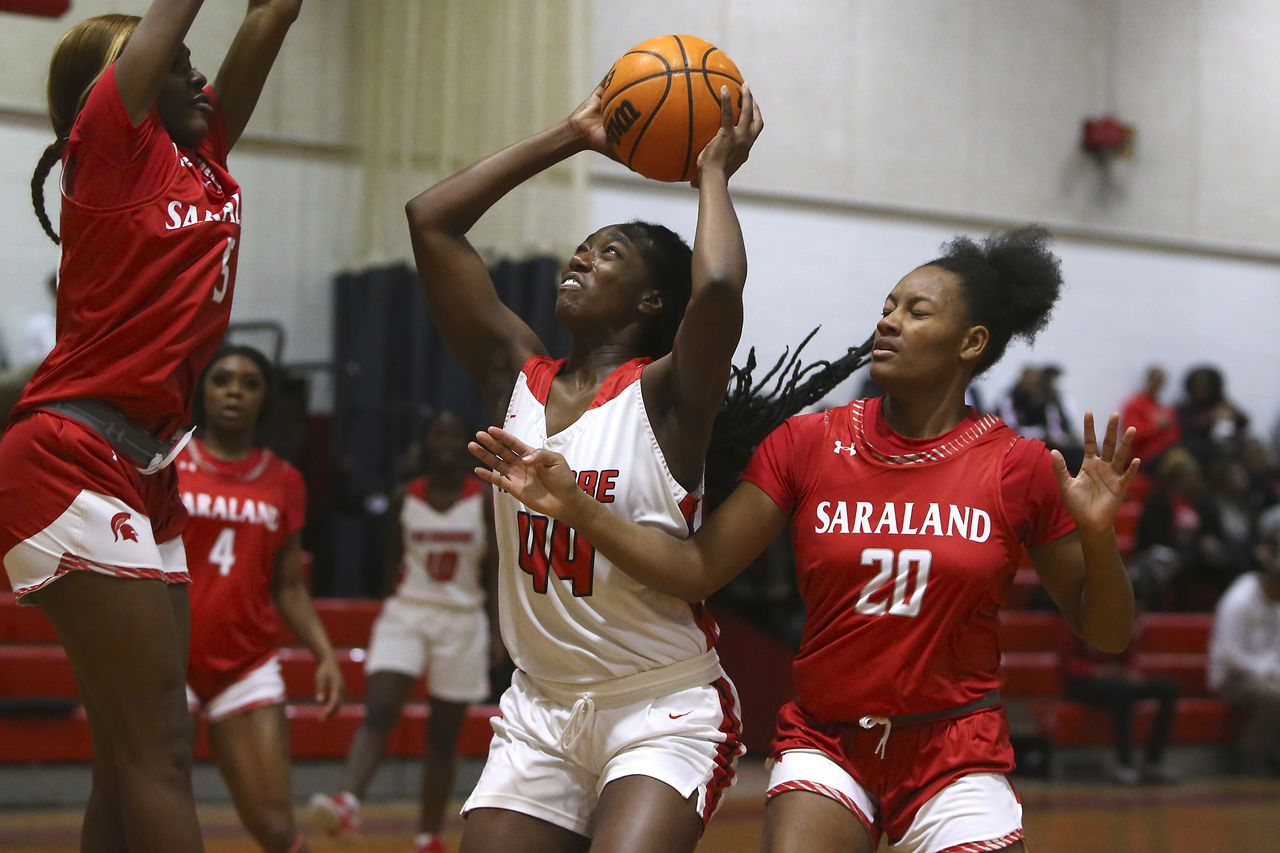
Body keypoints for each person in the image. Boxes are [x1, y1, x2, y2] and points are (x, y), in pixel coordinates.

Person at [471, 227, 1140, 853]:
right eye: (886, 306)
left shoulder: (1018, 465)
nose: (888, 321)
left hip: (953, 746)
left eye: (916, 311)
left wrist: (1099, 534)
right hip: (829, 739)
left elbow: (1106, 632)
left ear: (971, 343)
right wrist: (580, 509)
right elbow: (696, 568)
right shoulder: (809, 442)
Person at [405, 79, 763, 853]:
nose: (583, 256)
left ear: (650, 303)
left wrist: (712, 174)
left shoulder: (668, 396)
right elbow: (431, 221)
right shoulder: (516, 377)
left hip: (656, 706)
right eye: (584, 246)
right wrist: (570, 136)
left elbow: (721, 286)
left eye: (611, 254)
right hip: (539, 708)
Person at [0, 3, 302, 848]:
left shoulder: (201, 160)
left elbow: (274, 13)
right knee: (161, 750)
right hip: (70, 456)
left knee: (130, 755)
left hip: (144, 464)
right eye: (179, 65)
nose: (199, 78)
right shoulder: (109, 145)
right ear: (120, 86)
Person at [307, 411, 499, 853]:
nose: (447, 442)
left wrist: (495, 628)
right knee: (381, 707)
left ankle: (429, 835)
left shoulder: (484, 500)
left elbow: (496, 570)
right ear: (425, 444)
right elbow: (389, 560)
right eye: (438, 434)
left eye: (455, 434)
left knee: (443, 737)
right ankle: (348, 801)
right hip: (407, 611)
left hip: (463, 618)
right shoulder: (403, 497)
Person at [179, 345, 343, 852]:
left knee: (275, 828)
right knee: (148, 811)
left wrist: (325, 653)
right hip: (167, 660)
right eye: (222, 379)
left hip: (245, 663)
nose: (234, 390)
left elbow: (289, 585)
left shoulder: (284, 480)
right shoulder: (168, 462)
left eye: (249, 383)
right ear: (202, 391)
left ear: (265, 399)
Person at [1057, 617, 1179, 784]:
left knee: (1168, 688)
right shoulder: (1076, 617)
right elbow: (1067, 664)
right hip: (1083, 683)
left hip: (1116, 679)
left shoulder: (1118, 616)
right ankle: (1124, 764)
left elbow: (1126, 657)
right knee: (1122, 691)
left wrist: (1129, 670)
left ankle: (1153, 762)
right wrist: (1098, 671)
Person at [1208, 512, 1280, 775]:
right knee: (1275, 697)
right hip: (1232, 677)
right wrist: (1266, 673)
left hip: (1267, 674)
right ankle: (1252, 756)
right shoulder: (1240, 599)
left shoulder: (1276, 603)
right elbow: (1229, 653)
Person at [1121, 366, 1180, 468]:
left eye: (1160, 381)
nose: (1156, 384)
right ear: (1147, 379)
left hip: (1165, 452)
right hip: (1144, 457)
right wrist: (1156, 427)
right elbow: (1131, 433)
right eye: (1154, 379)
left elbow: (1174, 433)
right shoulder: (1135, 405)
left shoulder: (1164, 408)